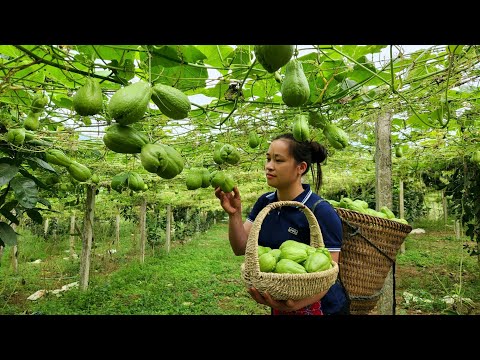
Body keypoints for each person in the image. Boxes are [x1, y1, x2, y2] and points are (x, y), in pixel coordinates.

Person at [215, 133, 350, 315]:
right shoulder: (265, 202)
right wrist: (234, 214)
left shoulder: (320, 211)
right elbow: (241, 248)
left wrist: (294, 305)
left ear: (300, 168)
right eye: (268, 159)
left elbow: (329, 275)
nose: (269, 166)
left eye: (278, 160)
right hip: (283, 305)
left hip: (325, 308)